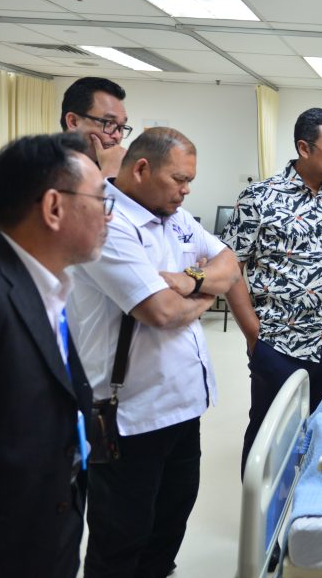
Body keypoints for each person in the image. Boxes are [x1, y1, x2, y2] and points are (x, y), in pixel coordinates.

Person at [67, 127, 239, 577]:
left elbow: (229, 264)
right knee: (121, 539)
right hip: (131, 417)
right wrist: (206, 291)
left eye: (190, 183)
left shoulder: (172, 215)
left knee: (167, 529)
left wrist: (190, 281)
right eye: (179, 180)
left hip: (185, 407)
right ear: (141, 169)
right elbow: (160, 313)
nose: (186, 191)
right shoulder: (104, 221)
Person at [0, 134, 109, 577]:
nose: (107, 215)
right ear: (54, 207)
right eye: (100, 199)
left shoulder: (49, 286)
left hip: (49, 527)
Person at [223, 107, 322, 472]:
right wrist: (254, 334)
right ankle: (263, 525)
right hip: (281, 341)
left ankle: (310, 516)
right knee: (271, 431)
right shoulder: (260, 197)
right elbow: (231, 266)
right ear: (304, 148)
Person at [60, 76, 132, 177]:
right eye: (109, 123)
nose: (117, 136)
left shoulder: (107, 166)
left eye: (122, 126)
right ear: (73, 122)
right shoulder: (39, 167)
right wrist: (110, 174)